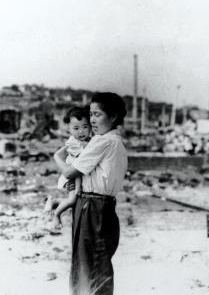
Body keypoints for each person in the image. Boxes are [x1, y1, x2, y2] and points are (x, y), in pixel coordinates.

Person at [53, 92, 127, 295]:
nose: (92, 120)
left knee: (89, 269)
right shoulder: (116, 142)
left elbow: (69, 171)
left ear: (112, 116)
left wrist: (56, 156)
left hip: (92, 207)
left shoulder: (102, 141)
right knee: (96, 266)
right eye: (91, 114)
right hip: (103, 206)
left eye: (97, 114)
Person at [45, 106, 91, 229]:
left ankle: (55, 201)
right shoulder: (74, 143)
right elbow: (77, 165)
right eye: (76, 128)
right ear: (69, 130)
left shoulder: (89, 142)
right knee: (72, 201)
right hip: (74, 177)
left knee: (76, 201)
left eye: (85, 127)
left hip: (80, 176)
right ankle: (56, 215)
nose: (81, 132)